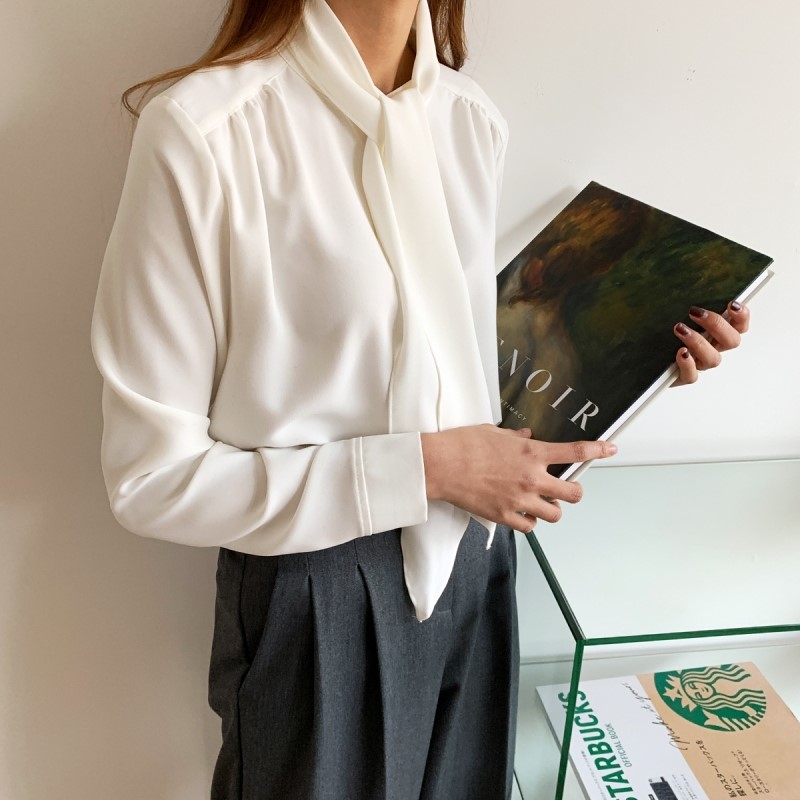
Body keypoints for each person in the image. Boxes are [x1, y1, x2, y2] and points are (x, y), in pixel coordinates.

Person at [89, 0, 752, 798]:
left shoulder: (469, 122)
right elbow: (151, 480)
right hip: (318, 589)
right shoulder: (206, 130)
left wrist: (641, 363)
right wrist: (426, 469)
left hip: (479, 563)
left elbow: (450, 375)